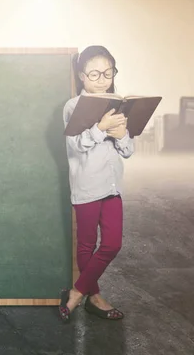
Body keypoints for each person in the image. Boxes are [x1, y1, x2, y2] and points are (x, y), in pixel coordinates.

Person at [58, 45, 134, 322]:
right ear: (81, 76)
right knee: (87, 244)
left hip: (112, 187)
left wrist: (123, 134)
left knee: (112, 244)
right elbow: (75, 147)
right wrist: (100, 129)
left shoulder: (119, 104)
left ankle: (78, 292)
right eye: (94, 74)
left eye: (108, 72)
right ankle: (96, 297)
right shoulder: (72, 106)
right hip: (87, 186)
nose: (102, 79)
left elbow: (127, 151)